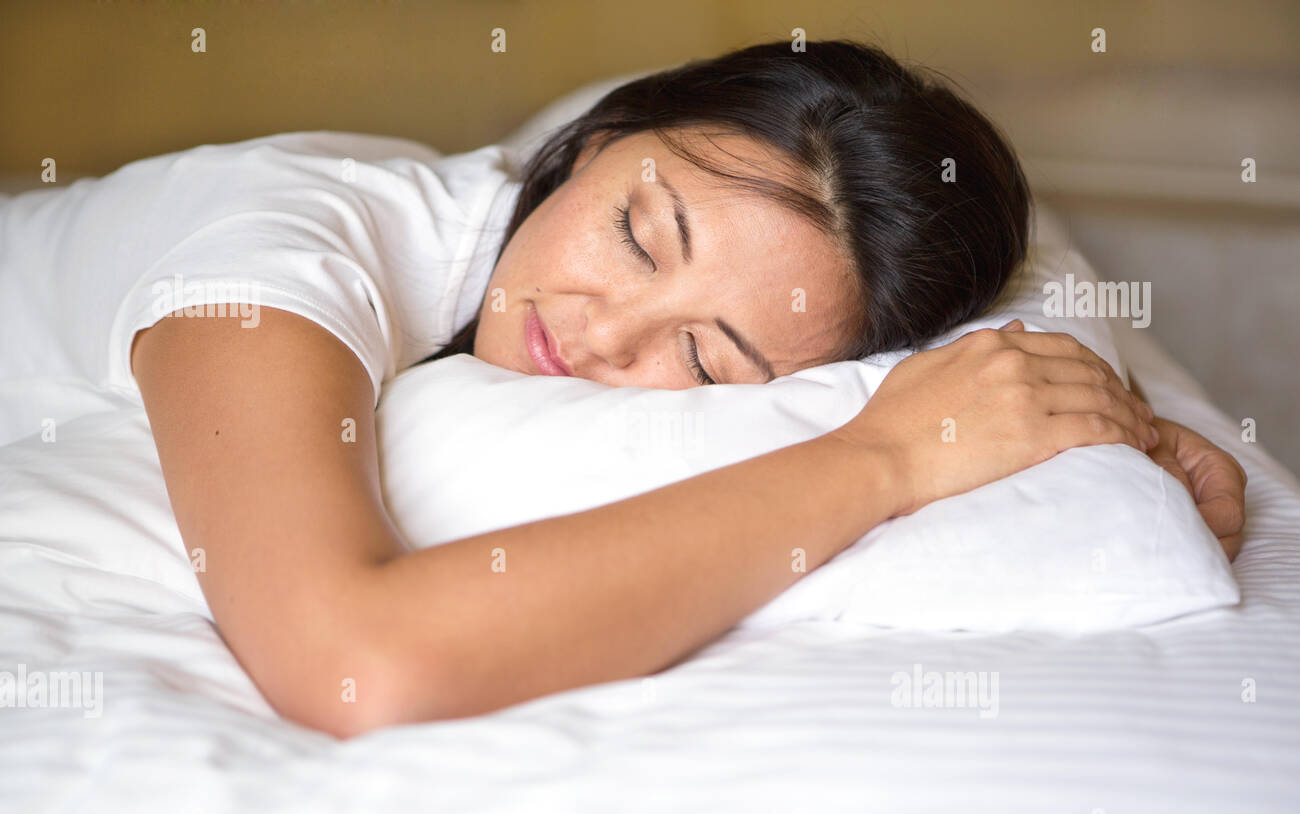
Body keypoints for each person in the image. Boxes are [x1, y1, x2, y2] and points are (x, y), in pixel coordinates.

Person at [4, 40, 1245, 737]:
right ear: (593, 142)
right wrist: (886, 460)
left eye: (707, 363)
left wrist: (1127, 436)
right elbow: (353, 662)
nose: (600, 335)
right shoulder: (274, 257)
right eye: (638, 236)